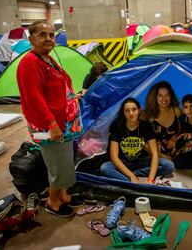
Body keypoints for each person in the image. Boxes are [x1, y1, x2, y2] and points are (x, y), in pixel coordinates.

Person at [17, 20, 84, 218]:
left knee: (65, 160)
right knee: (57, 163)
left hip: (64, 123)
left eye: (51, 35)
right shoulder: (30, 62)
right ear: (31, 39)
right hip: (51, 125)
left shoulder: (46, 58)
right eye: (42, 35)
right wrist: (52, 124)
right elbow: (33, 99)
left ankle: (63, 195)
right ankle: (53, 202)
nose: (48, 39)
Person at [100, 98, 174, 183]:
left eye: (134, 109)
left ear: (139, 110)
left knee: (169, 165)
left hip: (140, 162)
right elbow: (114, 157)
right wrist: (131, 176)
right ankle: (130, 181)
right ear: (123, 113)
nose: (131, 113)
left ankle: (133, 174)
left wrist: (150, 179)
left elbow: (154, 153)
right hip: (123, 162)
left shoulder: (146, 126)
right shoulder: (117, 127)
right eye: (127, 111)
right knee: (105, 168)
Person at [143, 81, 183, 159]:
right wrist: (162, 156)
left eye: (167, 95)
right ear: (155, 97)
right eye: (160, 95)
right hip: (156, 153)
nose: (164, 99)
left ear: (171, 96)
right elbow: (142, 142)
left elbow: (183, 129)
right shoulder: (147, 114)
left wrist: (174, 138)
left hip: (175, 149)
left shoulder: (177, 111)